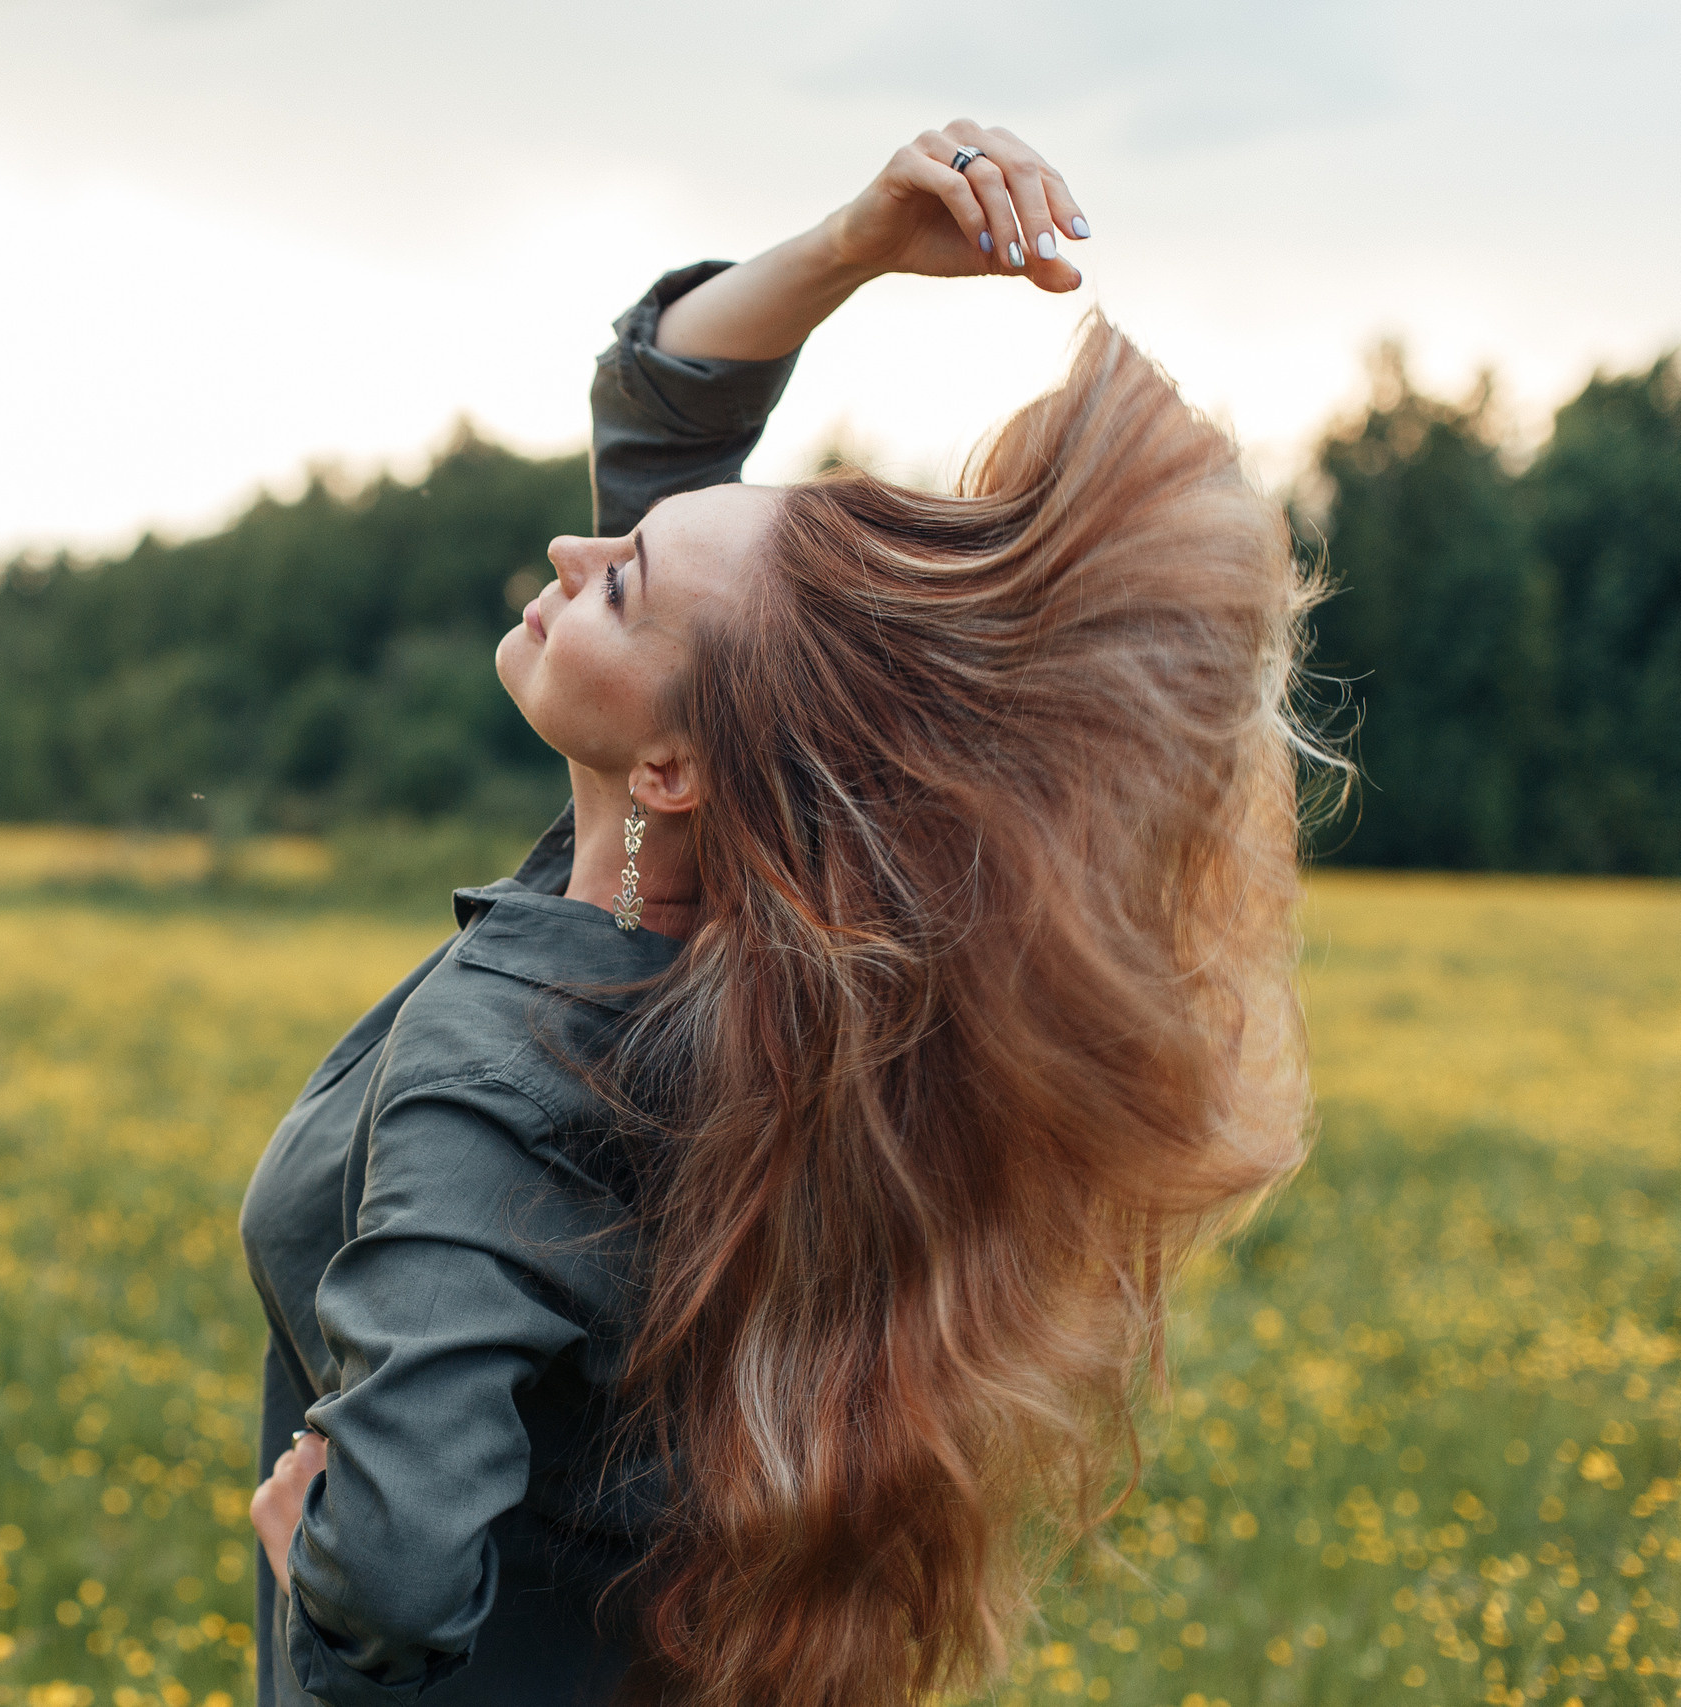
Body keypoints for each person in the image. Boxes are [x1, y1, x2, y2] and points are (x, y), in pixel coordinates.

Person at [238, 118, 1321, 1707]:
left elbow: (397, 1576)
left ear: (676, 765)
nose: (572, 545)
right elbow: (666, 417)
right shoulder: (716, 952)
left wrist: (319, 1589)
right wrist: (859, 242)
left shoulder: (504, 1068)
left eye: (615, 581)